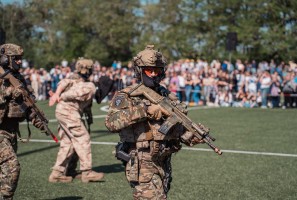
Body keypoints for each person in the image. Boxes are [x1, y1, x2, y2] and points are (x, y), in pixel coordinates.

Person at [105, 45, 204, 199]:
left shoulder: (166, 95)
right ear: (139, 71)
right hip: (142, 159)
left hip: (164, 160)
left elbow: (173, 126)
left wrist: (190, 136)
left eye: (157, 70)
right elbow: (111, 122)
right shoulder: (128, 95)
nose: (153, 74)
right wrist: (145, 110)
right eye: (148, 70)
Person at [0, 43, 47, 199]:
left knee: (5, 172)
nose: (20, 62)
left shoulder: (18, 78)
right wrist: (8, 92)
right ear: (5, 59)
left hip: (11, 132)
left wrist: (40, 123)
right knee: (12, 168)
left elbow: (27, 106)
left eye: (21, 59)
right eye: (16, 59)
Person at [48, 58, 104, 183]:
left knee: (68, 143)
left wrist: (57, 94)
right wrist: (60, 95)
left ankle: (57, 173)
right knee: (83, 139)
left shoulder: (74, 79)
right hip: (69, 113)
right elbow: (75, 93)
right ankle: (87, 172)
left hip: (63, 112)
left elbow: (63, 82)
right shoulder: (89, 86)